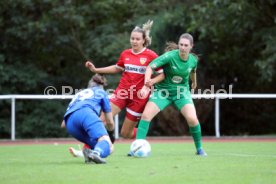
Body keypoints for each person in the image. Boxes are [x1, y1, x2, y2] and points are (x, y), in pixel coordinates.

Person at [85, 20, 164, 141]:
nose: (134, 41)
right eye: (132, 38)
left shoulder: (151, 56)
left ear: (144, 40)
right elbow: (117, 68)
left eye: (137, 39)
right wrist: (96, 69)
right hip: (122, 93)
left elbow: (163, 74)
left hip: (139, 98)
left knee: (125, 134)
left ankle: (142, 135)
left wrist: (150, 83)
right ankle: (90, 148)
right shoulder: (125, 54)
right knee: (102, 119)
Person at [136, 33, 207, 156]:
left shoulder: (193, 60)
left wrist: (194, 83)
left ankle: (199, 149)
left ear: (191, 46)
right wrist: (147, 84)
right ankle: (136, 148)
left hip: (181, 93)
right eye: (181, 44)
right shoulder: (169, 56)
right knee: (146, 116)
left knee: (192, 119)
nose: (183, 47)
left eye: (186, 45)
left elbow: (193, 71)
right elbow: (149, 67)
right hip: (163, 92)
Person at [62, 74, 115, 164]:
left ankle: (90, 152)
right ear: (101, 85)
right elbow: (109, 122)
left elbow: (63, 124)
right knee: (109, 146)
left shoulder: (78, 94)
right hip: (85, 114)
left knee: (99, 144)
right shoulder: (101, 92)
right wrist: (111, 132)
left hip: (70, 124)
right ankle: (95, 153)